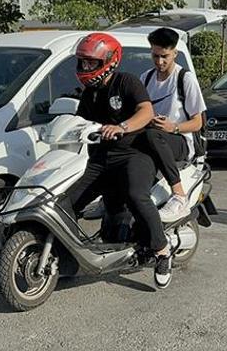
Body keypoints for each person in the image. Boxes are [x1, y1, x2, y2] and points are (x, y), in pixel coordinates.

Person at [62, 32, 174, 289]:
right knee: (66, 203)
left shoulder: (127, 82)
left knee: (136, 196)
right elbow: (79, 122)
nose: (86, 67)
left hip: (133, 154)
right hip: (100, 159)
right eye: (83, 62)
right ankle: (69, 253)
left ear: (110, 61)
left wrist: (122, 126)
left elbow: (146, 111)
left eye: (91, 62)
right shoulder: (89, 93)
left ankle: (162, 250)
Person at [138, 28, 207, 224]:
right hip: (152, 138)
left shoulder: (185, 79)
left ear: (175, 53)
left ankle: (179, 196)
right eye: (155, 56)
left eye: (164, 56)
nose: (159, 62)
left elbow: (198, 122)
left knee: (153, 136)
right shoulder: (146, 78)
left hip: (180, 141)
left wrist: (173, 127)